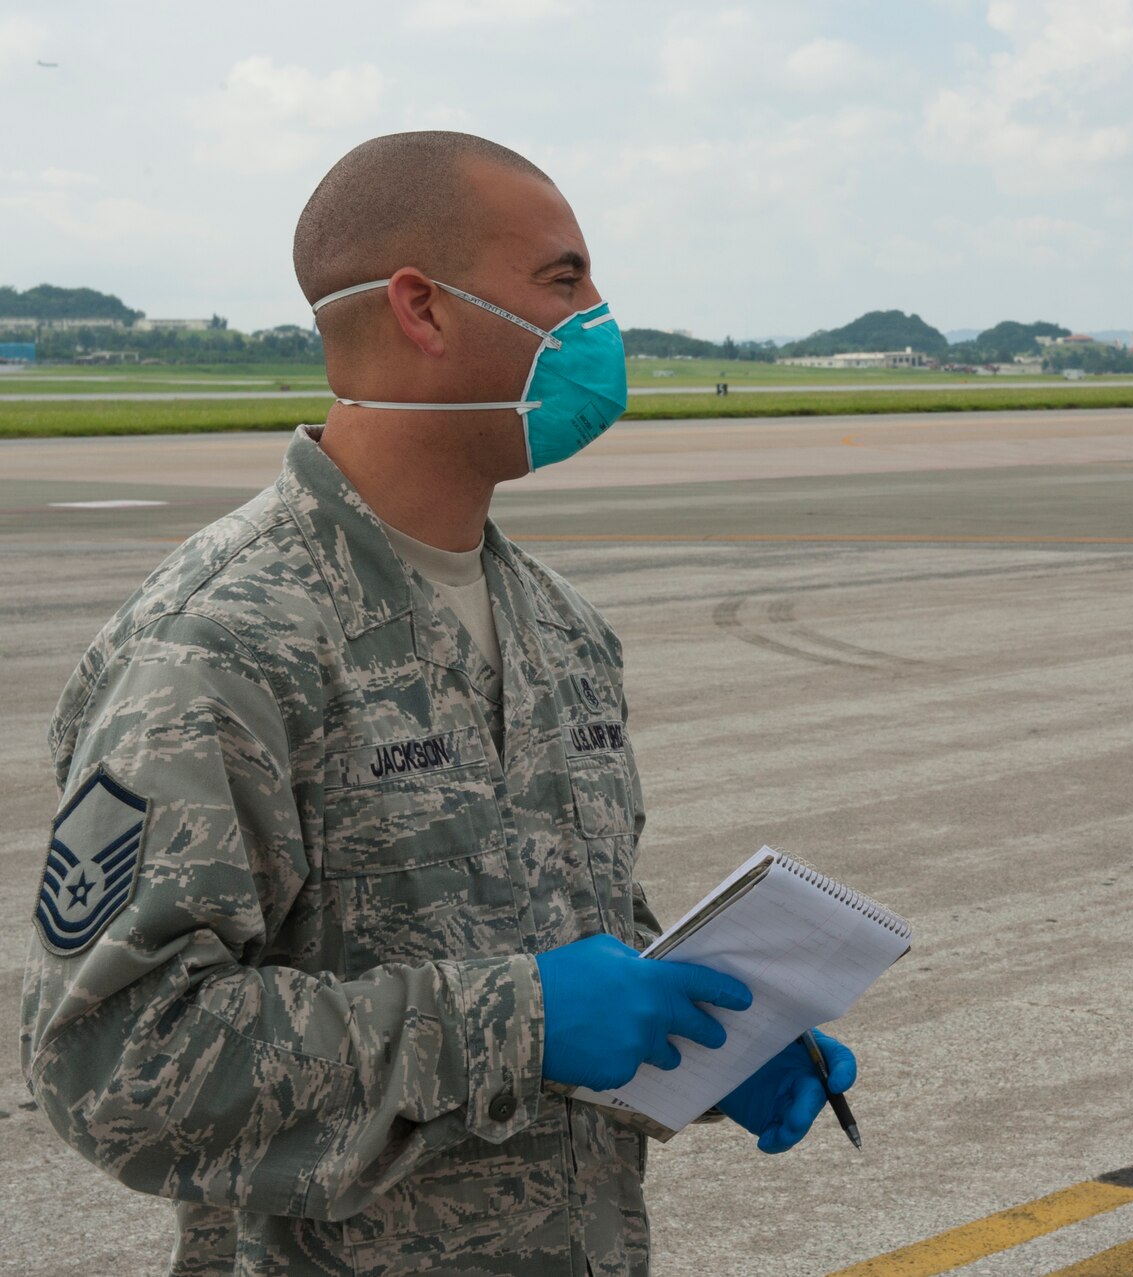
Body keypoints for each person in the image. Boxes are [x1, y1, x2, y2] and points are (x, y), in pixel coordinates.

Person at [21, 131, 856, 1276]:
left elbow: (547, 937)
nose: (601, 319)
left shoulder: (559, 627)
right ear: (422, 308)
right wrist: (526, 1018)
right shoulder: (219, 644)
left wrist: (704, 1035)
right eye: (563, 281)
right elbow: (115, 1065)